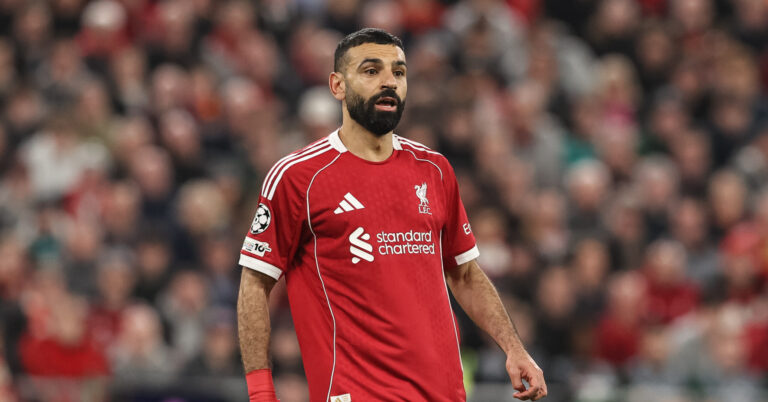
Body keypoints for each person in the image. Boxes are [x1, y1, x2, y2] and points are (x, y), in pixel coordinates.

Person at [237, 28, 547, 402]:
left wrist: (513, 347)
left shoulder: (434, 170)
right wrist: (260, 392)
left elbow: (464, 273)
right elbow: (255, 283)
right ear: (337, 85)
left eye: (398, 72)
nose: (389, 82)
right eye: (371, 71)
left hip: (444, 394)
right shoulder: (298, 176)